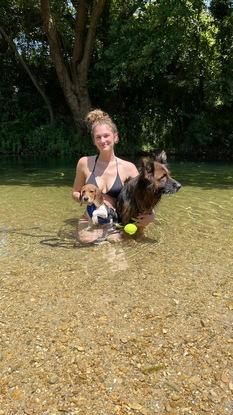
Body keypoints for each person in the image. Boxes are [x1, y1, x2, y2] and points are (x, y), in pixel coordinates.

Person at [72, 109, 154, 243]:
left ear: (115, 137)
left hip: (115, 219)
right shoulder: (84, 163)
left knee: (117, 242)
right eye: (98, 137)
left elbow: (144, 197)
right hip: (89, 217)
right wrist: (88, 198)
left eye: (106, 135)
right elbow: (75, 192)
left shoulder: (128, 168)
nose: (102, 140)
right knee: (87, 240)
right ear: (94, 141)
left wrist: (151, 216)